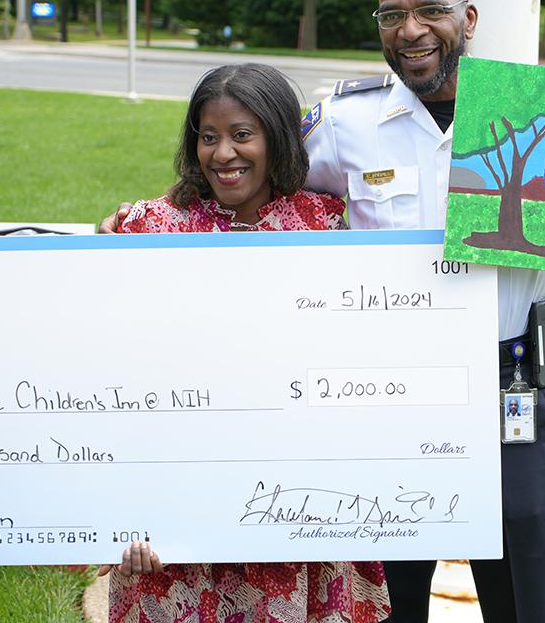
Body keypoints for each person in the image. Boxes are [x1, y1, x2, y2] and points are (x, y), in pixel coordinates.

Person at [102, 0, 545, 623]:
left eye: (430, 10)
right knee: (387, 605)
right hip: (385, 407)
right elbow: (247, 158)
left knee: (530, 603)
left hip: (510, 397)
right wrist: (148, 218)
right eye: (392, 15)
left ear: (468, 19)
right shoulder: (344, 123)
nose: (410, 29)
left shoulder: (540, 108)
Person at [98, 63, 390, 623]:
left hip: (295, 499)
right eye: (209, 137)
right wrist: (119, 509)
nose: (223, 153)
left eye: (241, 135)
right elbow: (108, 367)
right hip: (177, 506)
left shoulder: (325, 225)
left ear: (277, 137)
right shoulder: (151, 228)